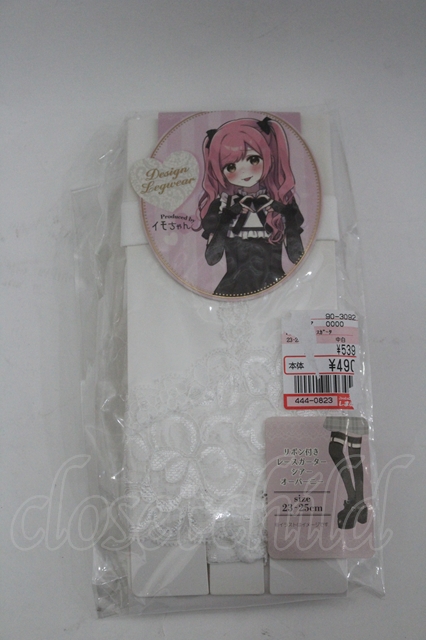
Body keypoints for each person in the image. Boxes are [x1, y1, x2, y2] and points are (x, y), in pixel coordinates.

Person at [198, 117, 304, 296]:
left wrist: (286, 215)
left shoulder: (282, 204)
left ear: (269, 157)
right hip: (232, 289)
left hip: (276, 290)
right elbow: (212, 258)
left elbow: (296, 256)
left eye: (253, 160)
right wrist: (226, 219)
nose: (243, 171)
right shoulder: (222, 206)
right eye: (231, 167)